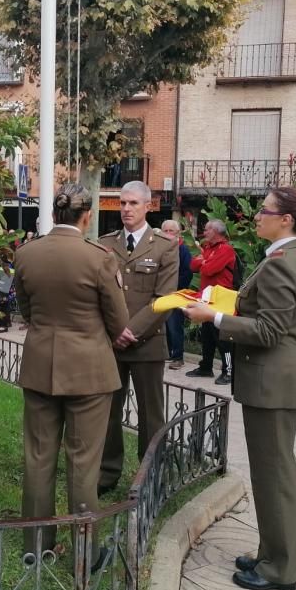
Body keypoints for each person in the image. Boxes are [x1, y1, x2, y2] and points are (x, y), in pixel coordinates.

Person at [183, 187, 296, 590]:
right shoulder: (286, 255)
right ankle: (270, 553)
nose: (257, 216)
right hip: (272, 379)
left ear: (287, 220)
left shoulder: (282, 262)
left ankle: (280, 569)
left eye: (265, 210)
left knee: (275, 475)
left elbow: (270, 330)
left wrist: (215, 317)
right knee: (268, 474)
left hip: (273, 380)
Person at [12, 183, 128, 563]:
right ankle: (85, 551)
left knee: (39, 456)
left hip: (41, 365)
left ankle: (36, 545)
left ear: (54, 215)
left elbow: (26, 310)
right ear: (86, 216)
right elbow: (118, 320)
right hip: (89, 372)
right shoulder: (99, 257)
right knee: (82, 461)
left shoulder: (27, 254)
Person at [97, 181, 178, 497]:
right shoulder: (106, 244)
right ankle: (107, 473)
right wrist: (117, 331)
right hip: (112, 346)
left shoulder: (165, 246)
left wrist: (131, 331)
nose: (126, 209)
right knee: (108, 413)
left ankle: (151, 476)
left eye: (132, 203)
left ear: (148, 206)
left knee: (151, 415)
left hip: (147, 345)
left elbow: (165, 297)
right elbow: (100, 293)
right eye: (122, 203)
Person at [185, 219, 237, 385]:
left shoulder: (226, 249)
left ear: (215, 231)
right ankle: (206, 366)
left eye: (207, 230)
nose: (204, 232)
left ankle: (228, 371)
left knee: (222, 337)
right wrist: (204, 261)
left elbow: (209, 269)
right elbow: (193, 265)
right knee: (207, 335)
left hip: (221, 299)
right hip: (207, 297)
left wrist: (204, 262)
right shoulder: (208, 248)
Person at [160, 219, 193, 370]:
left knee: (175, 325)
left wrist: (174, 287)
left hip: (177, 293)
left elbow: (187, 273)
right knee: (163, 325)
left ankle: (178, 357)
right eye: (165, 231)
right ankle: (167, 353)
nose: (167, 234)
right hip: (161, 293)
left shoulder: (183, 250)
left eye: (170, 231)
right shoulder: (160, 249)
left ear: (178, 233)